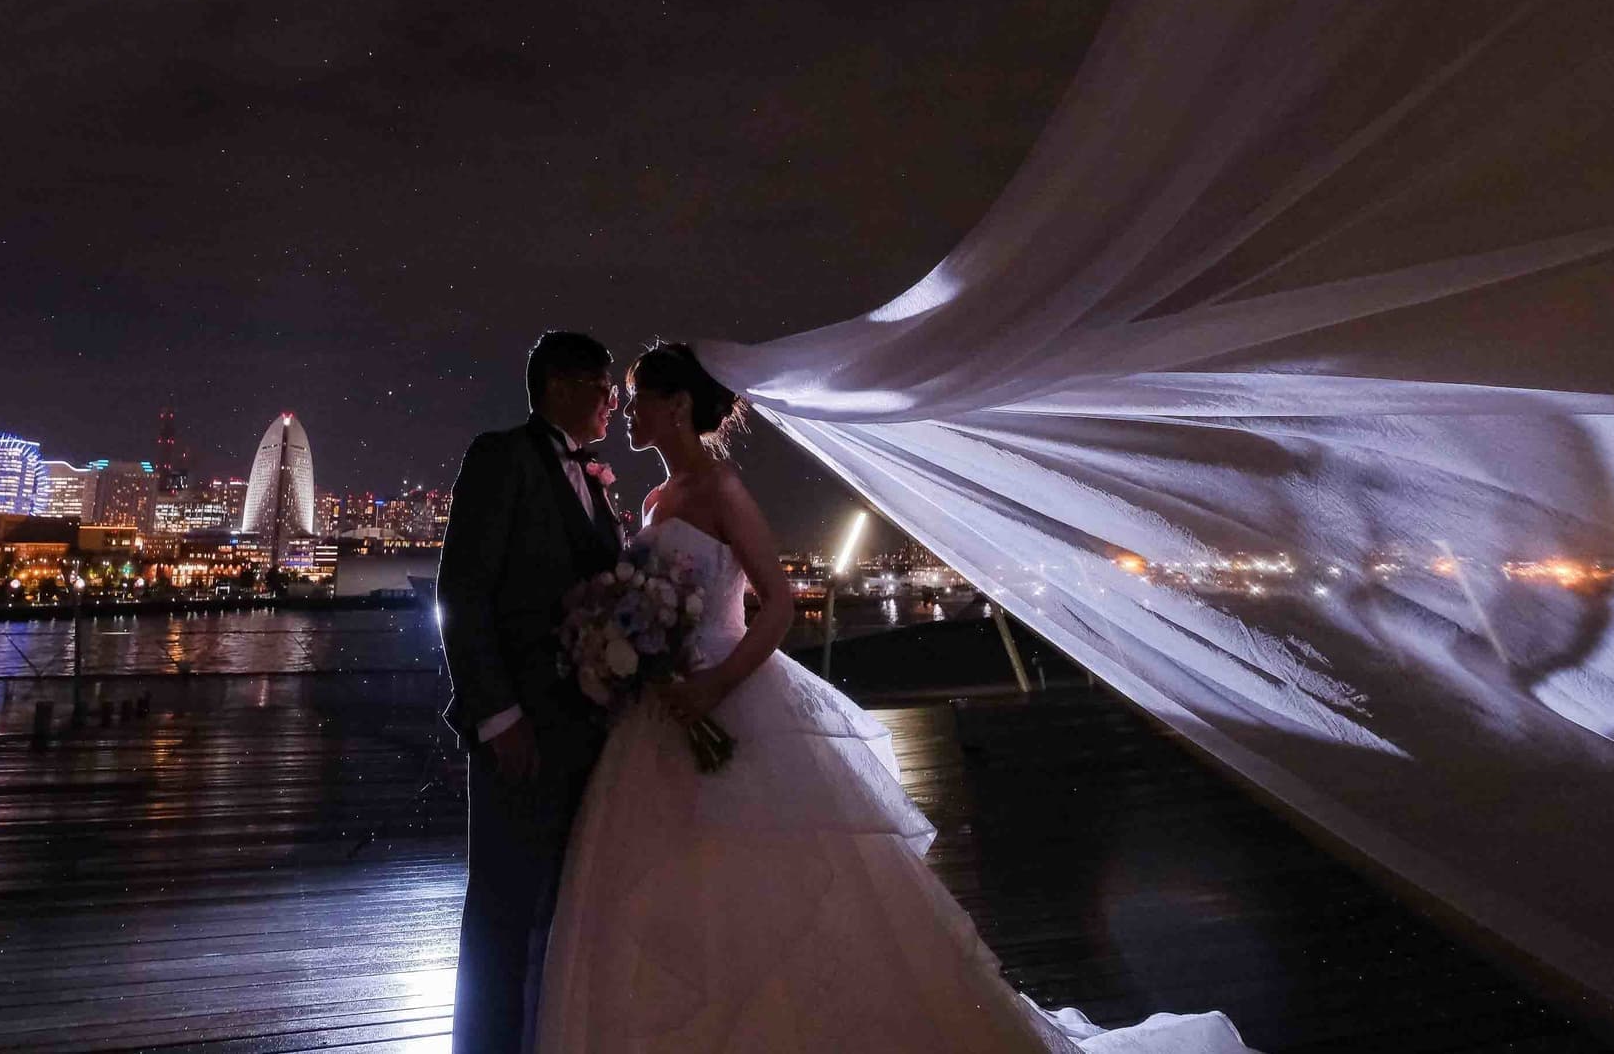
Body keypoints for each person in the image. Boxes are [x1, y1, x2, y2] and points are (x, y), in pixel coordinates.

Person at [535, 342, 1252, 1054]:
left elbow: (777, 603)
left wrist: (716, 685)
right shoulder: (654, 500)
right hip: (665, 711)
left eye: (638, 396)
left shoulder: (723, 490)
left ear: (678, 404)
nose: (626, 409)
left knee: (774, 895)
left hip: (728, 696)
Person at [437, 330, 627, 1054]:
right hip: (518, 731)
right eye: (604, 387)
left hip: (589, 732)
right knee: (502, 910)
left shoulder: (597, 481)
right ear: (560, 385)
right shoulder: (501, 457)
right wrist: (499, 716)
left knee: (564, 910)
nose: (613, 403)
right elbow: (463, 593)